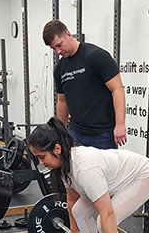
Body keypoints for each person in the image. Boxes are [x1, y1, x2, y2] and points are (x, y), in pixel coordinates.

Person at [42, 19, 127, 149]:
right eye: (53, 48)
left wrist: (120, 124)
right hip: (75, 133)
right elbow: (62, 101)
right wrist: (60, 132)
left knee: (104, 169)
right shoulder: (59, 68)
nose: (58, 51)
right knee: (75, 169)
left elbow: (117, 89)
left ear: (68, 35)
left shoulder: (96, 56)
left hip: (103, 134)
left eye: (59, 45)